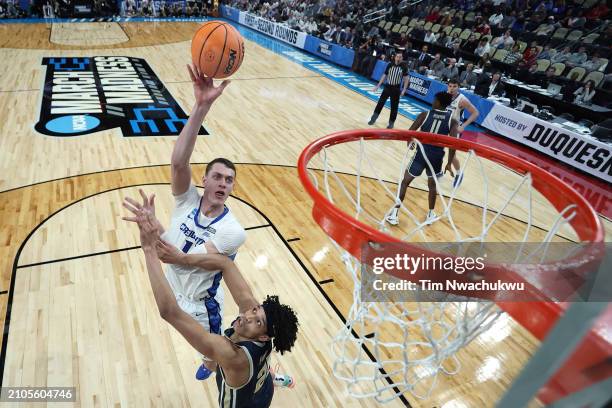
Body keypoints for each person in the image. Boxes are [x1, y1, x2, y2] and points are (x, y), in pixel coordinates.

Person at [126, 190, 299, 408]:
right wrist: (183, 258)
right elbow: (226, 263)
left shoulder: (231, 355)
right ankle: (273, 377)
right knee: (252, 369)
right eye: (255, 312)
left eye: (257, 321)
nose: (247, 316)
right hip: (264, 387)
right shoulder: (259, 324)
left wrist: (149, 249)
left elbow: (169, 311)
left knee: (219, 363)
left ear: (264, 337)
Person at [385, 92, 458, 226]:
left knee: (405, 182)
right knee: (432, 187)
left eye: (434, 99)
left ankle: (395, 213)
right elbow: (453, 144)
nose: (433, 101)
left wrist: (411, 141)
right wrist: (449, 163)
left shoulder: (425, 114)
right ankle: (430, 214)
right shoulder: (452, 121)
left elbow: (410, 132)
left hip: (421, 154)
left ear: (438, 102)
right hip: (436, 158)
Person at [446, 79, 479, 187]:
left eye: (454, 86)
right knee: (436, 149)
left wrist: (463, 126)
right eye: (450, 86)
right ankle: (437, 170)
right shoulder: (444, 96)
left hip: (454, 129)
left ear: (458, 87)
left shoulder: (462, 100)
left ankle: (459, 174)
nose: (451, 88)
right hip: (444, 126)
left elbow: (475, 113)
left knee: (452, 154)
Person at [368, 52, 409, 129]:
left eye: (400, 57)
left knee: (394, 107)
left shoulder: (404, 67)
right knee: (380, 103)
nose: (399, 58)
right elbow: (384, 75)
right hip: (387, 87)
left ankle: (391, 123)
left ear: (402, 58)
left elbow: (406, 79)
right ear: (395, 57)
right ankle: (373, 119)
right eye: (398, 57)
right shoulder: (390, 64)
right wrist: (378, 85)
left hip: (396, 89)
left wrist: (404, 90)